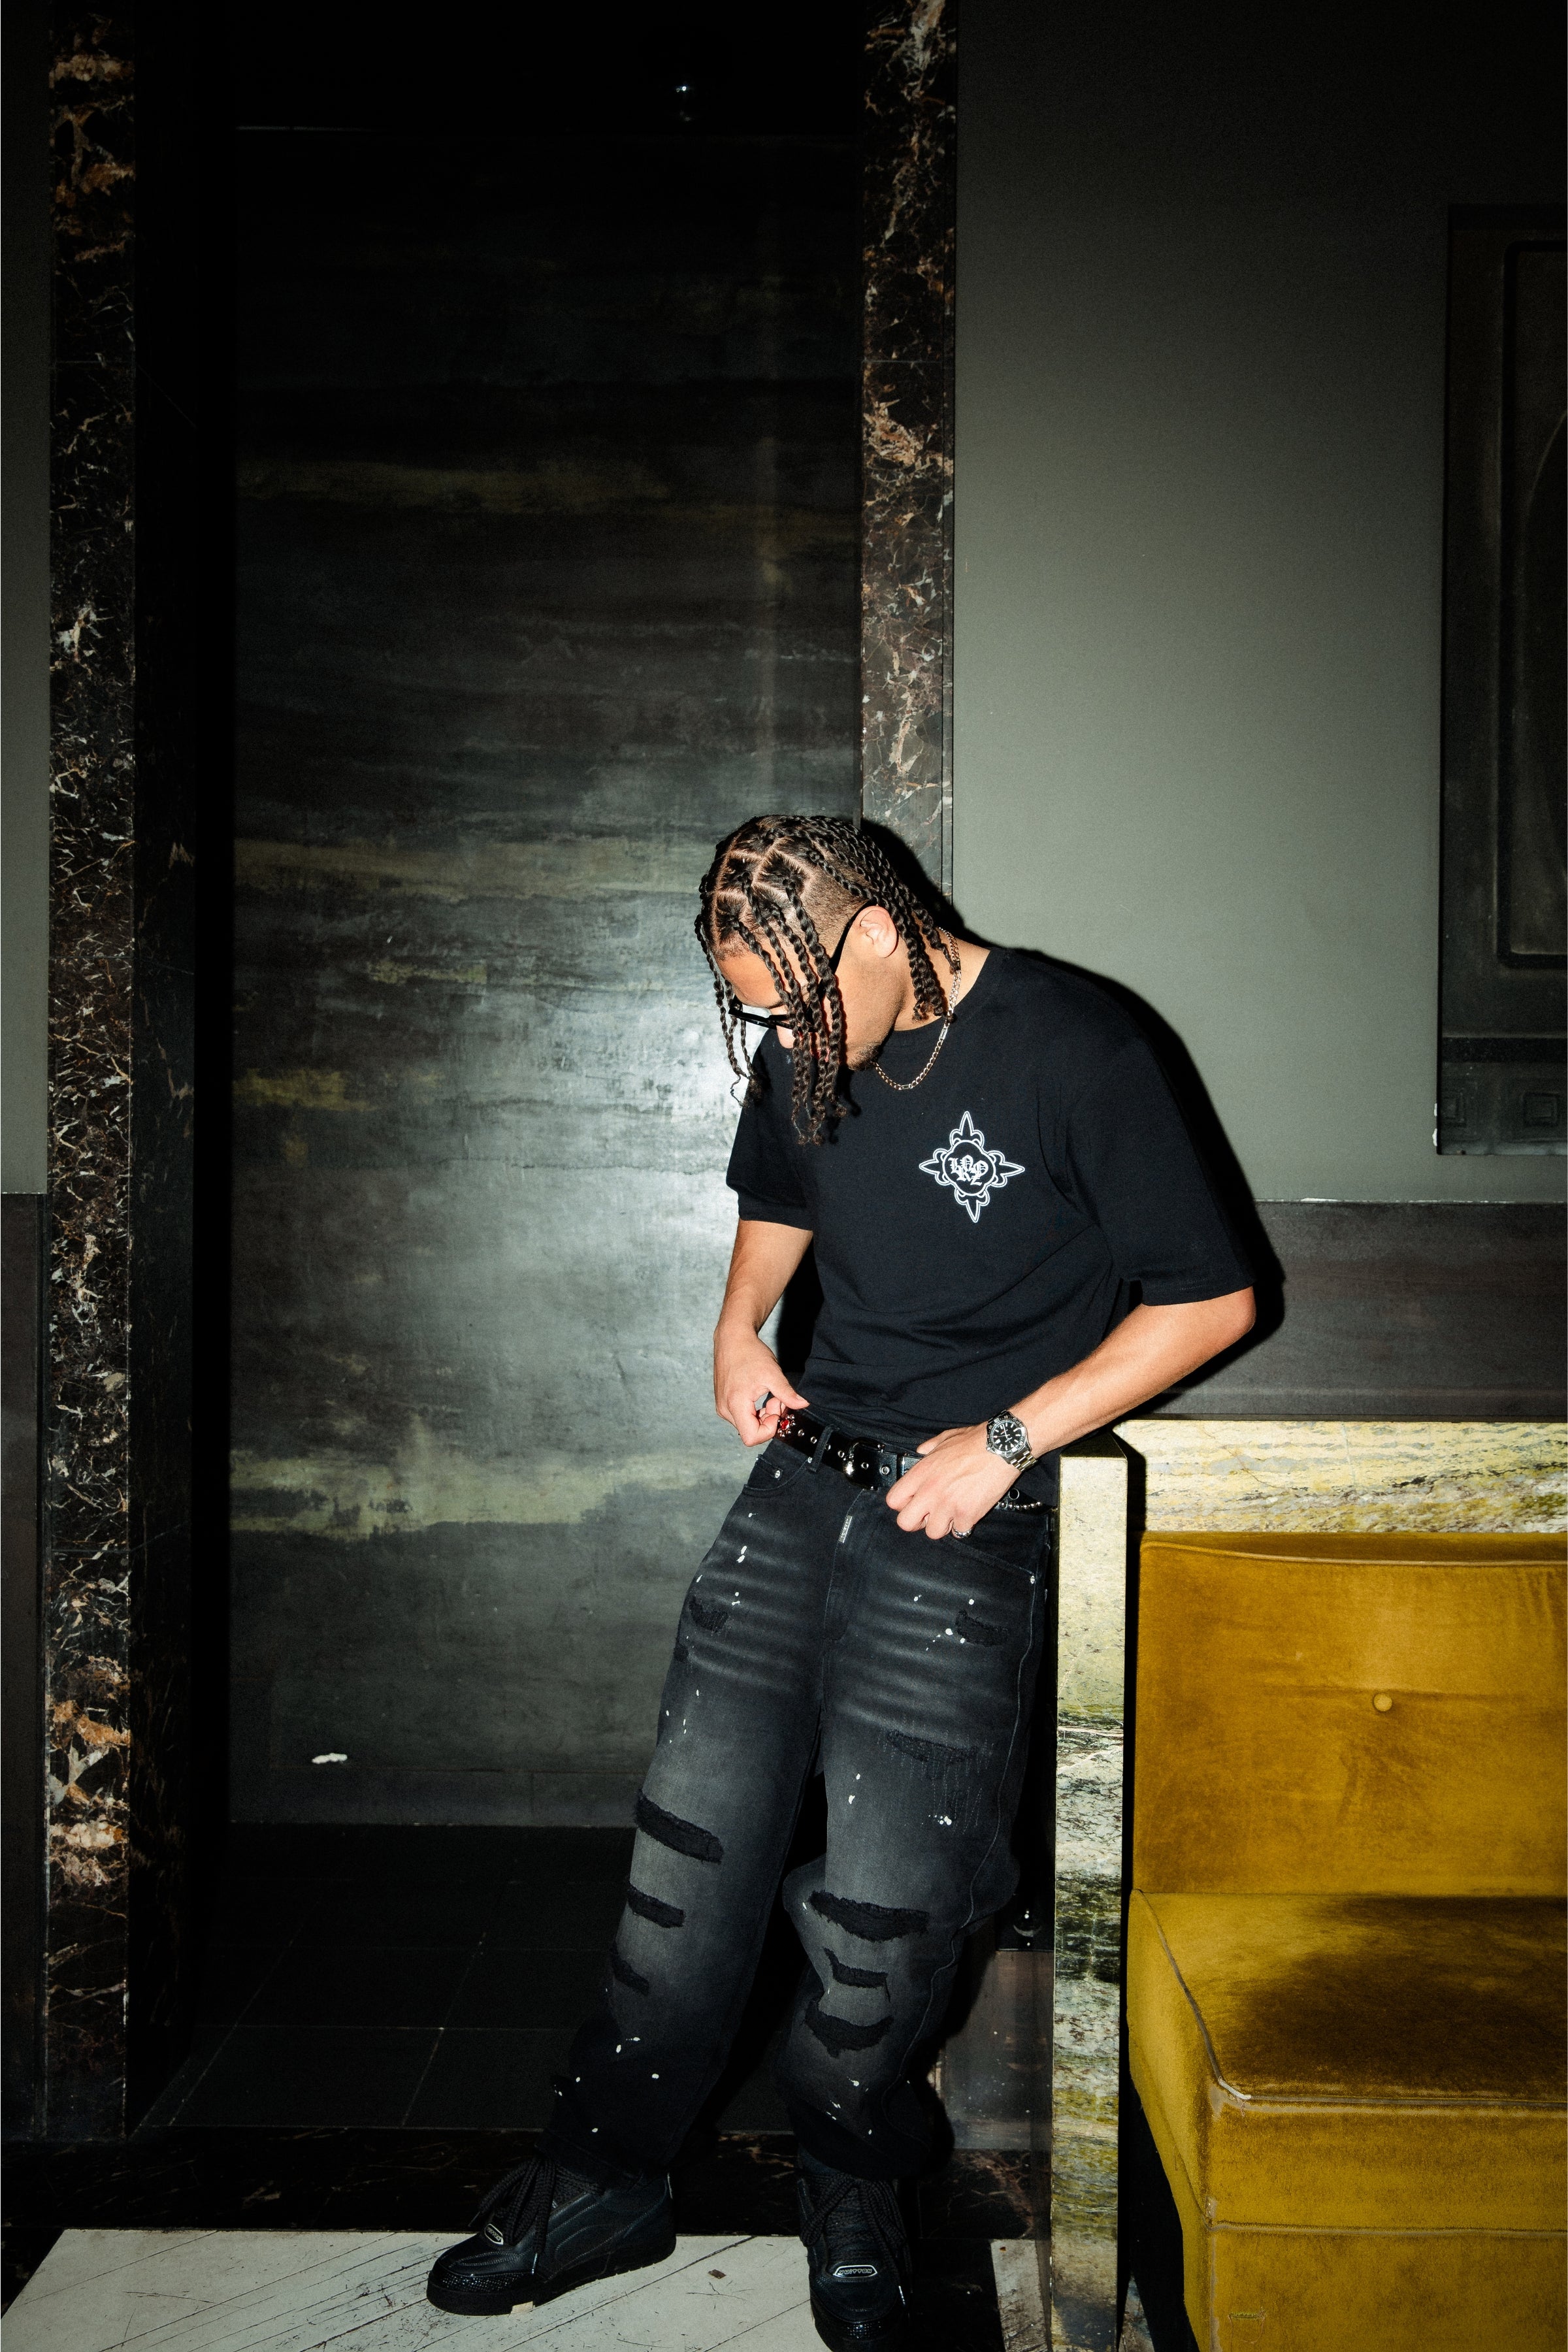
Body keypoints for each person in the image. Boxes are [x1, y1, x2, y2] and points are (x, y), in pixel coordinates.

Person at [427, 814, 1254, 2347]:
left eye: (793, 1006)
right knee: (686, 1859)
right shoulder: (809, 1031)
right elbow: (781, 1201)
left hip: (971, 1507)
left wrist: (1007, 1440)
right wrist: (739, 1325)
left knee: (888, 1911)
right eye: (754, 1014)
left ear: (877, 932)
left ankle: (854, 2184)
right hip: (806, 1477)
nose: (783, 1041)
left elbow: (1212, 1300)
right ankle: (603, 2177)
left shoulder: (1081, 1045)